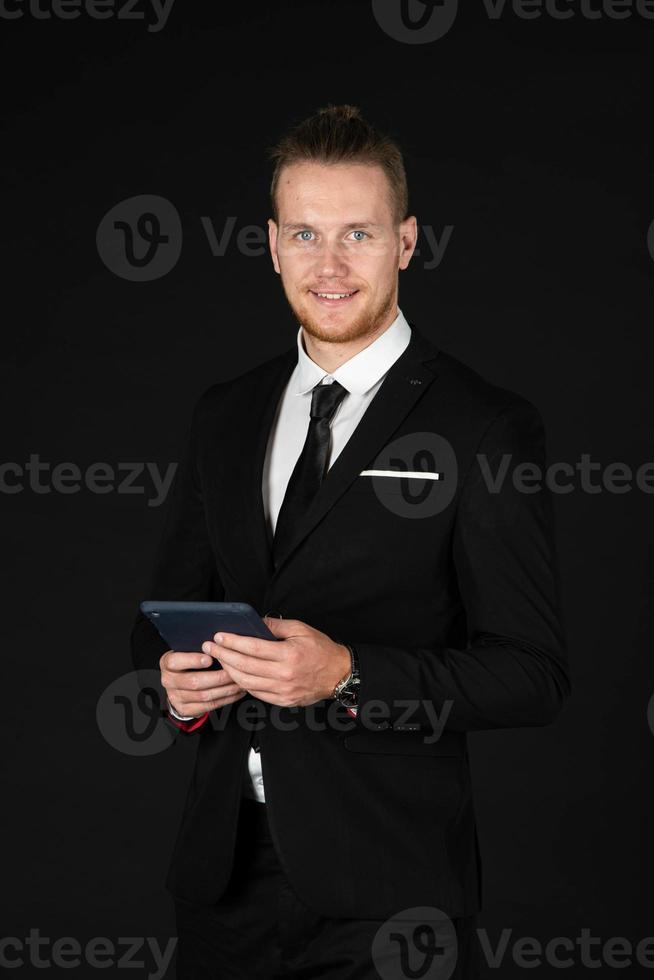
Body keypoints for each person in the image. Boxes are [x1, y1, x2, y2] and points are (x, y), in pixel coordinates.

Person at [130, 103, 570, 979]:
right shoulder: (225, 414)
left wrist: (348, 674)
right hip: (220, 885)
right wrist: (178, 685)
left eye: (358, 233)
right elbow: (157, 620)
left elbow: (533, 674)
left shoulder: (484, 426)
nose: (329, 265)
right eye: (305, 234)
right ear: (271, 242)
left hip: (389, 896)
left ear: (406, 243)